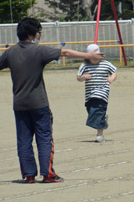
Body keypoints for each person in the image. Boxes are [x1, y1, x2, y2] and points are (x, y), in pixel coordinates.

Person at [0, 17, 104, 183]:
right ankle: (47, 174)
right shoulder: (38, 51)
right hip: (39, 103)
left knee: (24, 140)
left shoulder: (10, 52)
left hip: (19, 104)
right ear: (33, 33)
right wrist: (89, 55)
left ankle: (29, 175)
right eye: (39, 31)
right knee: (44, 137)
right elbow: (64, 52)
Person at [77, 44, 117, 143]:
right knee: (92, 111)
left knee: (98, 111)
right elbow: (78, 78)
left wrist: (111, 78)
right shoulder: (85, 65)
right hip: (89, 94)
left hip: (102, 92)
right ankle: (103, 119)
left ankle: (100, 135)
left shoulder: (106, 64)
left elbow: (114, 72)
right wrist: (83, 77)